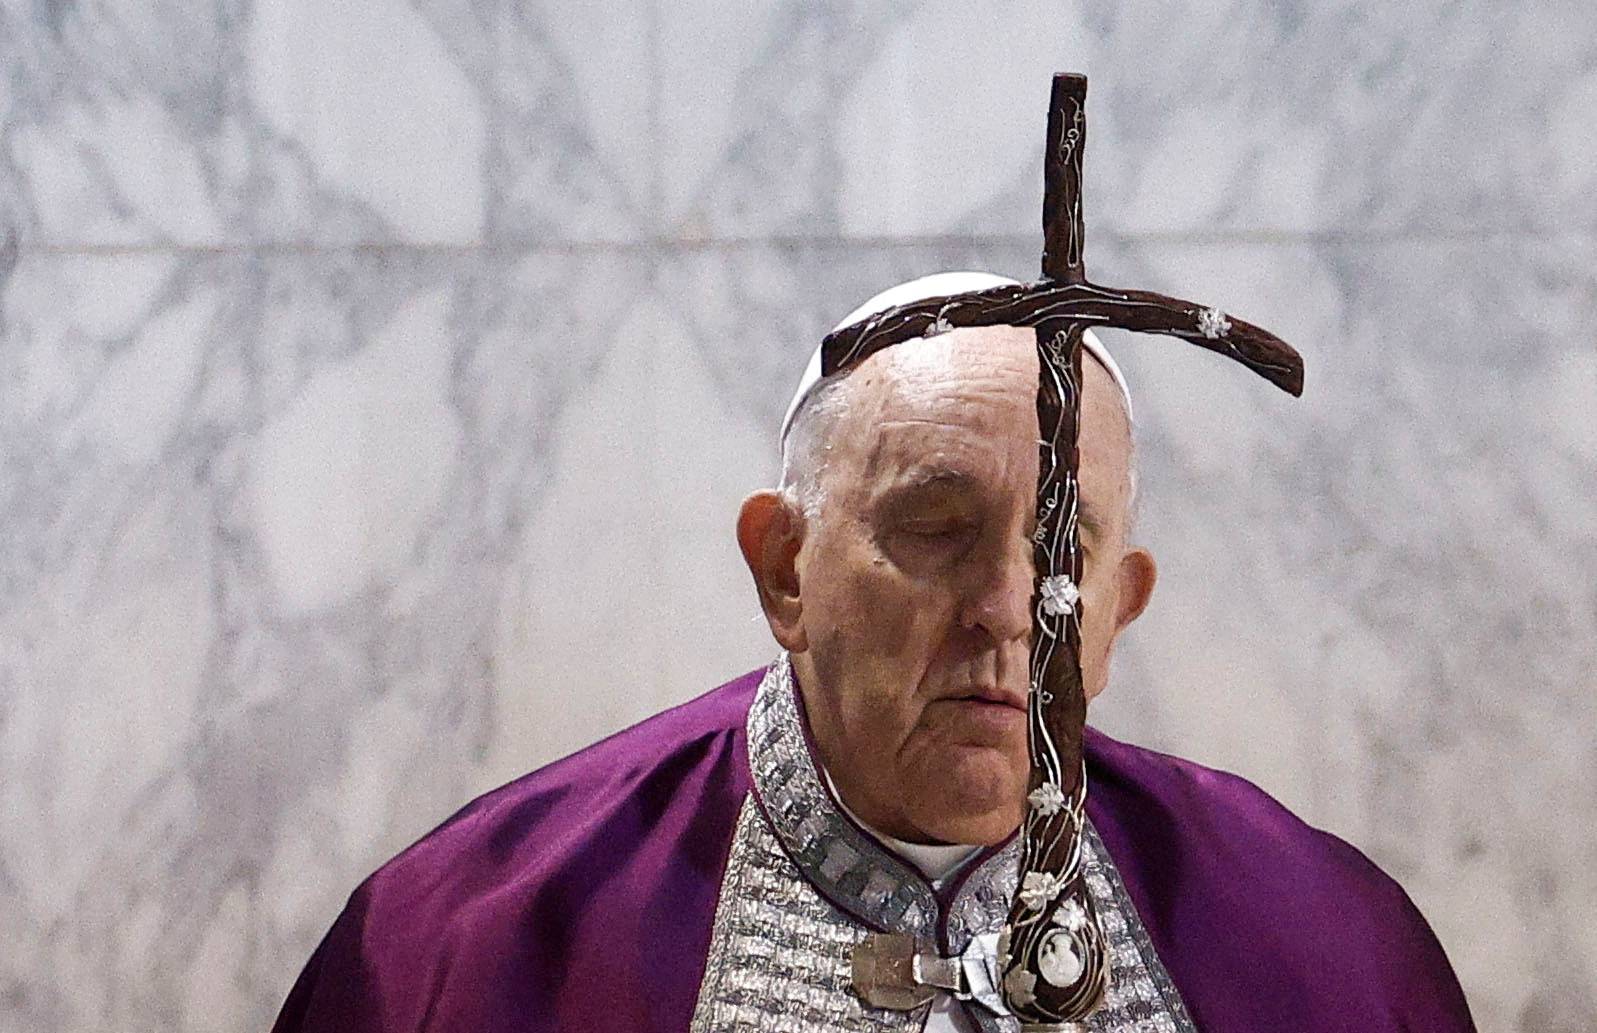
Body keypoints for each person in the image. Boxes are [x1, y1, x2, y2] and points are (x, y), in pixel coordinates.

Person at [272, 274, 1476, 1032]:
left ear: (1123, 606)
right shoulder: (463, 947)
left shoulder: (1329, 946)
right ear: (785, 568)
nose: (1009, 606)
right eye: (936, 530)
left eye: (1066, 547)